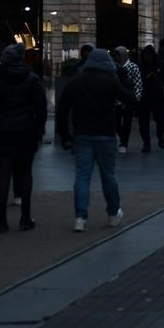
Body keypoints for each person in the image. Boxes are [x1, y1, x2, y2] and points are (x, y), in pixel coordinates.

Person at [55, 48, 134, 231]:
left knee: (82, 175)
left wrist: (65, 135)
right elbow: (131, 100)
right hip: (105, 133)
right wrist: (125, 80)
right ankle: (113, 214)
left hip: (82, 134)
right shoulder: (111, 81)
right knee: (109, 174)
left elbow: (62, 109)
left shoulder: (76, 82)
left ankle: (80, 218)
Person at [0, 43, 47, 233]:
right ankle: (25, 217)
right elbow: (41, 107)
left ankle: (2, 220)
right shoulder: (31, 78)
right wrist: (39, 127)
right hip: (25, 131)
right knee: (25, 173)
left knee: (3, 173)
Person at [134, 45, 164, 152]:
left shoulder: (160, 65)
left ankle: (160, 136)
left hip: (158, 96)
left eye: (150, 55)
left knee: (160, 119)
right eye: (146, 55)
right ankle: (146, 143)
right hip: (144, 97)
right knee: (144, 121)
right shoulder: (140, 67)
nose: (148, 58)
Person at [112, 47, 144, 154]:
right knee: (116, 122)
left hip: (129, 99)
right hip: (116, 100)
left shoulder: (133, 67)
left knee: (127, 122)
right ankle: (122, 138)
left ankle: (124, 143)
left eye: (118, 54)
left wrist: (137, 96)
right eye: (115, 54)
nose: (116, 57)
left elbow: (138, 82)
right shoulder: (113, 67)